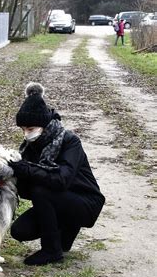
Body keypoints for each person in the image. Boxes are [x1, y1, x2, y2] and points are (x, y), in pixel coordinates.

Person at [8, 82, 105, 266]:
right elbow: (27, 192)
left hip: (86, 201)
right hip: (59, 200)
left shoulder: (70, 141)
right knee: (20, 230)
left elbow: (62, 179)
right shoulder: (31, 147)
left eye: (30, 129)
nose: (26, 134)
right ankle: (65, 233)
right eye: (23, 130)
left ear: (44, 125)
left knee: (41, 190)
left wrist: (27, 169)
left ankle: (51, 250)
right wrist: (14, 173)